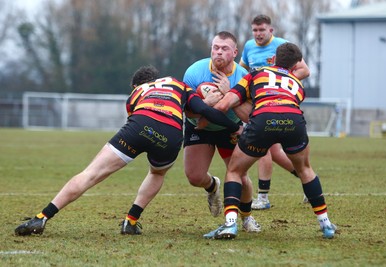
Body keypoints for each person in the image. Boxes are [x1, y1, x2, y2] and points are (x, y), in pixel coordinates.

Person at [14, 65, 243, 236]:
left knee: (90, 174)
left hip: (139, 125)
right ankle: (130, 221)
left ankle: (41, 218)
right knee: (156, 173)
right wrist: (236, 126)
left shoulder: (136, 93)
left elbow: (136, 116)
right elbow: (204, 111)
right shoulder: (177, 84)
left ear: (136, 85)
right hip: (171, 134)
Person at [203, 43, 337, 239]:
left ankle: (230, 224)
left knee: (235, 170)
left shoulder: (256, 74)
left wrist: (202, 113)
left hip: (263, 121)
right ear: (294, 66)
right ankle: (326, 224)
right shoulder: (297, 84)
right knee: (305, 169)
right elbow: (285, 104)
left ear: (273, 59)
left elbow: (225, 105)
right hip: (293, 121)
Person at [183, 31, 260, 232]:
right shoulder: (195, 72)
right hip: (200, 127)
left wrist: (230, 95)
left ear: (234, 53)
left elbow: (249, 116)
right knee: (194, 176)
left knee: (241, 177)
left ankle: (247, 218)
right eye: (215, 47)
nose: (218, 52)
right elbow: (187, 110)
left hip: (231, 128)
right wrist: (203, 105)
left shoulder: (244, 77)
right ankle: (212, 186)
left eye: (224, 49)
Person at [239, 14, 311, 209]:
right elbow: (242, 70)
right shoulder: (248, 47)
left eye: (262, 30)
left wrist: (280, 85)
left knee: (263, 148)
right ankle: (307, 182)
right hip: (258, 103)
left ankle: (263, 198)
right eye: (255, 30)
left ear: (271, 30)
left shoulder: (282, 46)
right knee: (276, 152)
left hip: (278, 104)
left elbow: (305, 70)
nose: (258, 34)